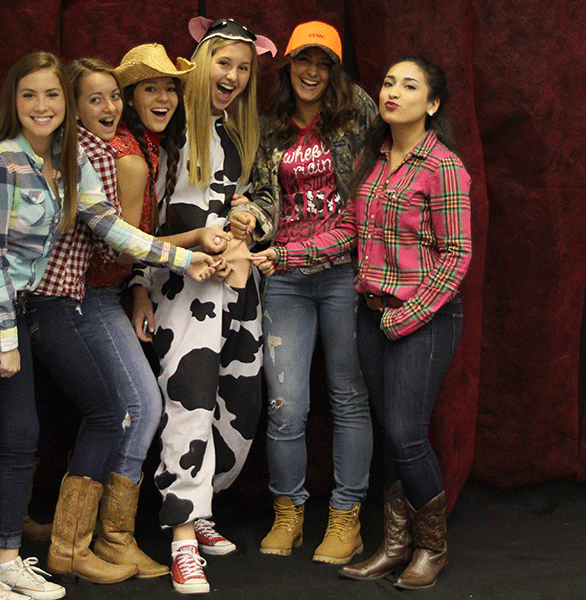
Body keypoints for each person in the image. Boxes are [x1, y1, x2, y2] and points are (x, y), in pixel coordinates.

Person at [0, 51, 215, 600]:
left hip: (15, 305)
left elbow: (111, 227)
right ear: (14, 103)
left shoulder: (67, 162)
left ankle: (8, 560)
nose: (42, 105)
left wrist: (183, 259)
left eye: (51, 95)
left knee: (22, 436)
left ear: (65, 105)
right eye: (29, 95)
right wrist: (7, 340)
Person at [252, 55, 471, 590]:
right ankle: (395, 544)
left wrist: (406, 317)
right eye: (390, 82)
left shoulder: (443, 166)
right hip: (371, 314)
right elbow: (348, 232)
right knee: (394, 437)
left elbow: (456, 256)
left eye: (410, 85)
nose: (394, 91)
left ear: (432, 103)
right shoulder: (373, 162)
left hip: (421, 318)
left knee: (405, 433)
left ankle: (431, 547)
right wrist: (286, 256)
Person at [20, 56, 220, 586]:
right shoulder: (115, 158)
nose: (109, 106)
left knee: (127, 407)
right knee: (131, 407)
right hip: (77, 299)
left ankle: (90, 537)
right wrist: (191, 246)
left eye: (113, 96)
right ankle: (96, 540)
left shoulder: (128, 150)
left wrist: (137, 285)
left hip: (95, 297)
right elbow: (115, 248)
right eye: (97, 98)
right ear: (72, 107)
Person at [129, 17, 276, 594]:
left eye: (244, 68)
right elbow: (145, 217)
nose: (234, 76)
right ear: (201, 64)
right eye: (225, 63)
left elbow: (262, 206)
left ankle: (203, 508)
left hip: (239, 290)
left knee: (235, 401)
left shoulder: (242, 133)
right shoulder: (168, 131)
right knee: (188, 402)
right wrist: (140, 284)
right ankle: (182, 537)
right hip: (183, 290)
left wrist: (251, 222)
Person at [228, 21, 376, 565]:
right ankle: (288, 510)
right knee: (286, 403)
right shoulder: (271, 123)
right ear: (288, 64)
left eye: (323, 62)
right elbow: (267, 198)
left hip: (342, 272)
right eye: (302, 61)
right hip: (284, 278)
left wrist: (287, 253)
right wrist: (248, 217)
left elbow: (365, 205)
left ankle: (346, 515)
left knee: (348, 397)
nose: (311, 71)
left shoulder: (358, 111)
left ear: (335, 69)